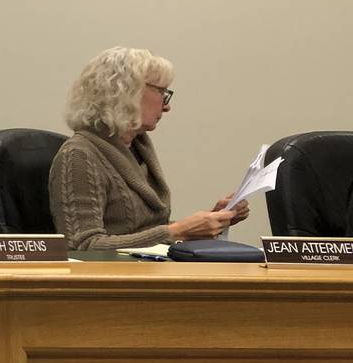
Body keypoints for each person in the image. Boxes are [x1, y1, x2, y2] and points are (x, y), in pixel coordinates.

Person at [48, 46, 248, 250]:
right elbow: (82, 245)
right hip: (114, 280)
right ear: (126, 91)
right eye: (162, 92)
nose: (166, 106)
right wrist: (177, 231)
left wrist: (209, 223)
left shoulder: (138, 148)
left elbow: (146, 232)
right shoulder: (79, 155)